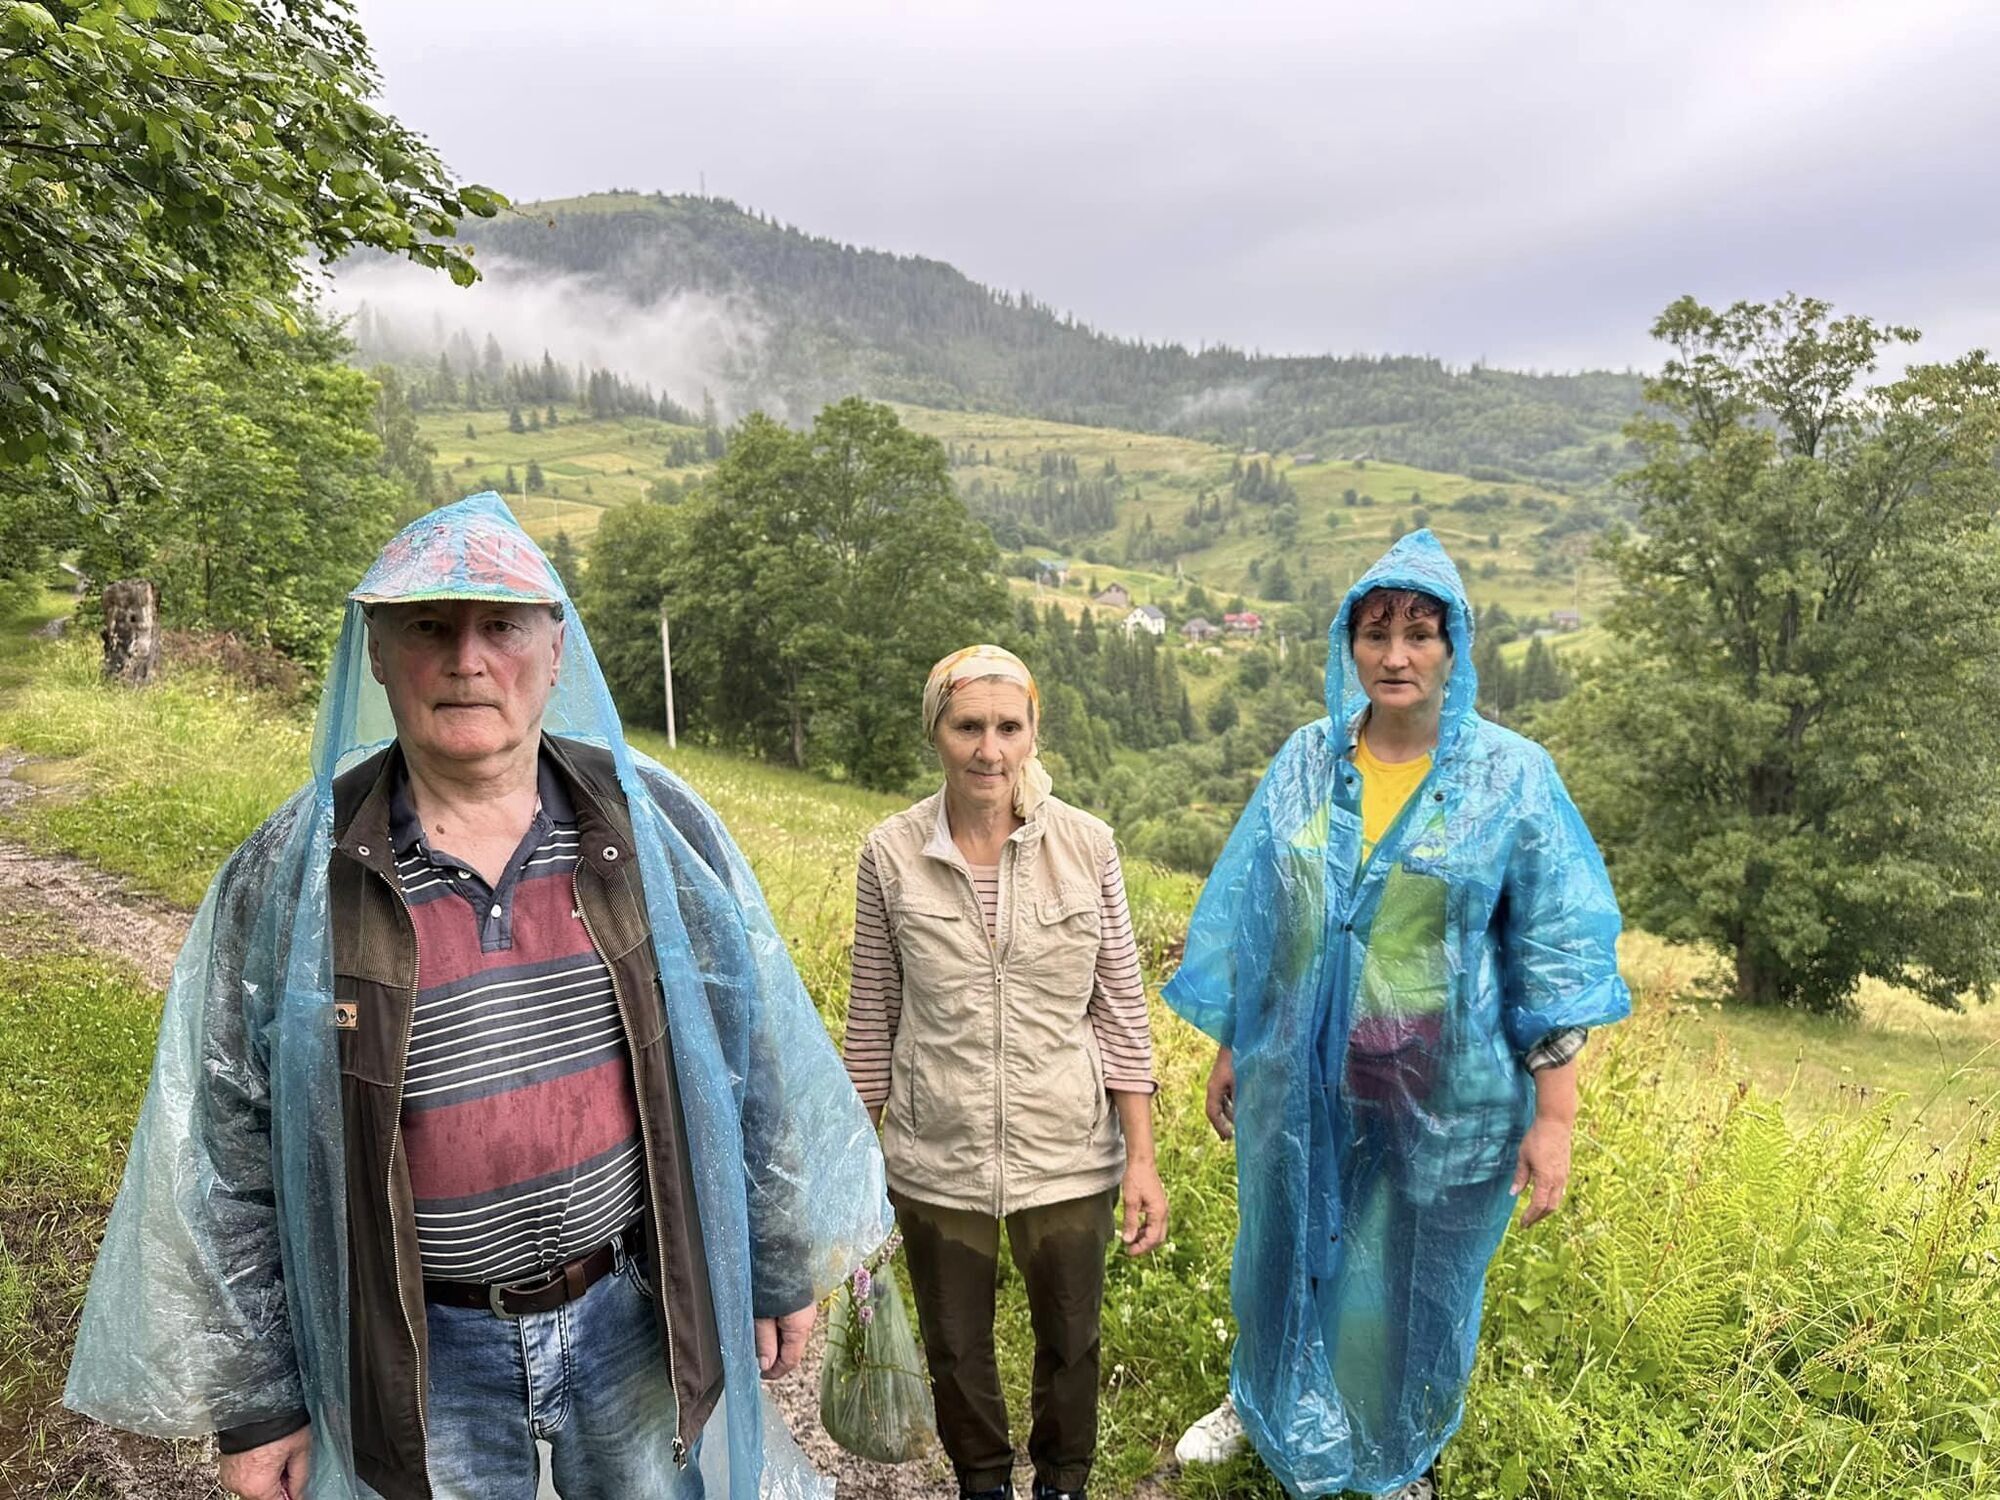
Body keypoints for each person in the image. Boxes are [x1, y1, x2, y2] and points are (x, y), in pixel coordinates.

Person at [66, 494, 892, 1500]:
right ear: (377, 653)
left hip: (634, 1314)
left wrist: (771, 1266)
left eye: (501, 625)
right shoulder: (295, 871)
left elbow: (744, 1062)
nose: (468, 660)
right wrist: (260, 1403)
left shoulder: (652, 829)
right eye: (429, 626)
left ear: (555, 648)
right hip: (415, 1353)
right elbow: (233, 1153)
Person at [1166, 531, 1629, 1499]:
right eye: (1375, 633)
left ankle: (1395, 1449)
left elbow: (1550, 950)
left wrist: (1555, 1116)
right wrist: (1233, 1042)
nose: (1395, 655)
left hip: (1442, 1082)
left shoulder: (1510, 777)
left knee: (1415, 1274)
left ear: (1454, 648)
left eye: (1419, 634)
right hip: (1300, 1065)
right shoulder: (1308, 760)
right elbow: (1261, 914)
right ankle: (1262, 1398)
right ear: (1349, 643)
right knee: (1283, 1236)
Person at [840, 644, 1168, 1500]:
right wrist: (851, 1173)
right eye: (968, 727)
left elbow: (1120, 1011)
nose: (990, 750)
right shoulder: (891, 854)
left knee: (1072, 1339)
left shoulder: (1087, 847)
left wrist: (1141, 1160)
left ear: (1032, 734)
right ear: (936, 733)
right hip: (937, 1152)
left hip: (1067, 1148)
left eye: (1008, 728)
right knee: (954, 1344)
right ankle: (981, 1481)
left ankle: (1063, 1481)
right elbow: (872, 1017)